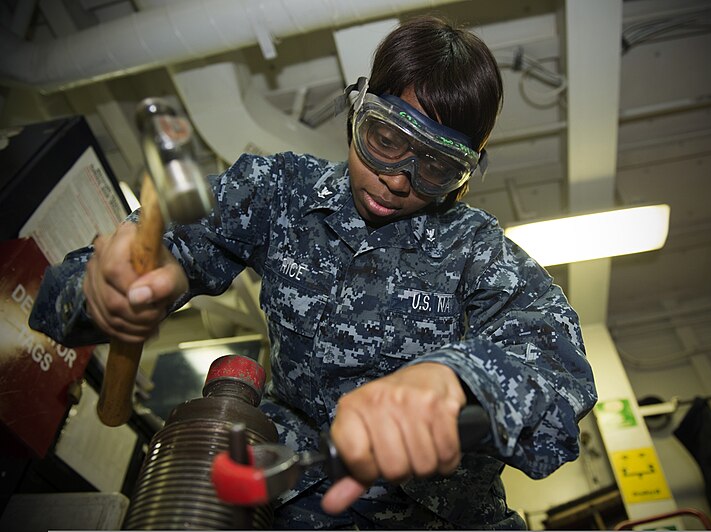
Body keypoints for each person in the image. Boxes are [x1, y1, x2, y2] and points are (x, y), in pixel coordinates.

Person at [30, 15, 597, 529]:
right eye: (385, 140)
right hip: (294, 498)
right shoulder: (279, 193)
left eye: (437, 166)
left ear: (464, 174)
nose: (399, 178)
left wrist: (458, 380)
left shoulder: (477, 251)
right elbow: (108, 275)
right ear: (358, 112)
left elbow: (561, 371)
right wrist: (109, 291)